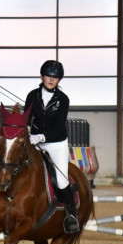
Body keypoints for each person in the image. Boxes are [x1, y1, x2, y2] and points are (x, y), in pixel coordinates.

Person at [24, 60, 78, 234]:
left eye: (55, 77)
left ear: (59, 80)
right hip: (34, 141)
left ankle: (72, 215)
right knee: (16, 163)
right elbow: (26, 118)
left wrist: (41, 137)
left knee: (62, 180)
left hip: (56, 143)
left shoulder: (63, 99)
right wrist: (26, 132)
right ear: (42, 76)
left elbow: (59, 126)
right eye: (48, 76)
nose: (51, 79)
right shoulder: (32, 95)